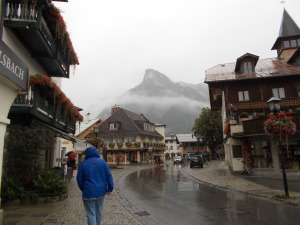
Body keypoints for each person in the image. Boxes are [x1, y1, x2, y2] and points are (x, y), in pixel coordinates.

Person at [77, 147, 114, 225]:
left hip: (88, 192)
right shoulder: (103, 163)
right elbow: (109, 176)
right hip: (101, 192)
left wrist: (84, 189)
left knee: (91, 214)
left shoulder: (83, 164)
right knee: (99, 212)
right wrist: (110, 189)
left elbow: (79, 180)